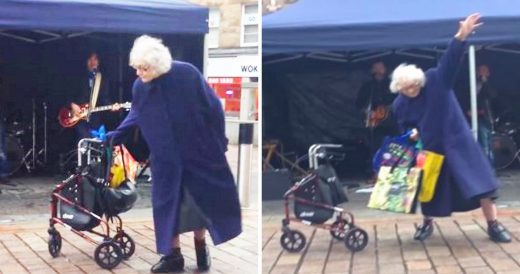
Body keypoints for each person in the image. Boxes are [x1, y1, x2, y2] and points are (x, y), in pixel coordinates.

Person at [106, 35, 242, 273]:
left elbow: (214, 107)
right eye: (136, 67)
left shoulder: (187, 74)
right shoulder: (140, 86)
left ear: (159, 65)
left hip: (199, 151)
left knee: (197, 201)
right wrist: (114, 136)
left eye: (144, 68)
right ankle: (173, 256)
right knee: (167, 204)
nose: (139, 73)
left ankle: (201, 246)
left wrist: (220, 140)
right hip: (165, 157)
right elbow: (136, 114)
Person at [390, 13, 511, 243]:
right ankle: (426, 224)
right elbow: (404, 128)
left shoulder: (436, 80)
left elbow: (451, 60)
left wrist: (461, 36)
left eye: (415, 85)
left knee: (483, 184)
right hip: (430, 150)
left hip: (460, 143)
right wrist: (412, 134)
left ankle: (493, 225)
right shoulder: (399, 104)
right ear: (399, 88)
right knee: (428, 190)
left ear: (420, 80)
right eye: (406, 88)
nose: (413, 90)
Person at [355, 61, 397, 176]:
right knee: (376, 147)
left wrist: (387, 110)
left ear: (385, 69)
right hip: (375, 124)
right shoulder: (368, 86)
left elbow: (399, 101)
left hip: (392, 122)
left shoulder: (393, 84)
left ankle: (393, 172)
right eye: (376, 68)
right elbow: (359, 104)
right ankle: (375, 173)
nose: (378, 70)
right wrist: (368, 113)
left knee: (394, 147)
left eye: (381, 67)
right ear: (372, 70)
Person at [70, 52, 116, 140]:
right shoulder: (78, 76)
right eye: (90, 59)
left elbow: (104, 97)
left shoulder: (102, 79)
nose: (93, 62)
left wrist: (112, 106)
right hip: (79, 117)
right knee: (84, 142)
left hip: (95, 117)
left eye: (95, 59)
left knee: (98, 142)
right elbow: (68, 91)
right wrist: (72, 104)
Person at [464, 64, 500, 164]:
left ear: (488, 73)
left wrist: (485, 81)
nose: (481, 72)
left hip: (486, 118)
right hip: (471, 118)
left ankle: (489, 169)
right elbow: (465, 98)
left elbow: (493, 96)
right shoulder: (471, 83)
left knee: (487, 145)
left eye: (484, 71)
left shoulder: (489, 84)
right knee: (479, 144)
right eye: (480, 70)